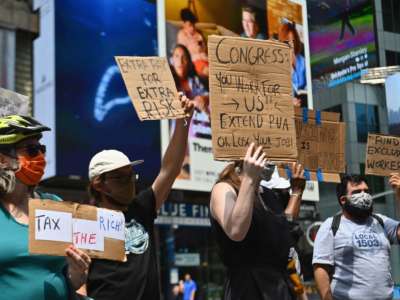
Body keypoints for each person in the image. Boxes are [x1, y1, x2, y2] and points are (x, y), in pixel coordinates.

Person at [85, 94, 194, 300]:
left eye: (131, 176)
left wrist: (183, 121)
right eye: (120, 178)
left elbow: (170, 170)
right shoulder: (83, 221)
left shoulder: (141, 208)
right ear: (99, 184)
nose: (130, 183)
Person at [0, 115, 91, 300]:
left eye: (42, 149)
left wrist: (77, 274)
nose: (40, 157)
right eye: (32, 150)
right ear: (2, 160)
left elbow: (71, 280)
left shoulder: (54, 205)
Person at [210, 143, 305, 299]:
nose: (271, 160)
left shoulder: (268, 195)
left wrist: (296, 192)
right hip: (248, 289)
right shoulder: (224, 189)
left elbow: (284, 232)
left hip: (280, 288)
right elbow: (236, 230)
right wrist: (249, 178)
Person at [313, 174, 400, 300]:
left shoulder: (381, 221)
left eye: (367, 191)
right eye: (357, 192)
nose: (364, 195)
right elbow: (321, 268)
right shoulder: (330, 225)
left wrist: (399, 195)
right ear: (343, 200)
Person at [278, 22, 306, 107]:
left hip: (304, 104)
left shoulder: (303, 61)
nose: (291, 45)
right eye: (287, 41)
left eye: (293, 41)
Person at [176, 8, 208, 77]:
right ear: (184, 24)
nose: (192, 28)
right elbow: (183, 52)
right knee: (206, 71)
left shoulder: (198, 34)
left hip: (205, 59)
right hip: (194, 61)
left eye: (193, 25)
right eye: (190, 25)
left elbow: (204, 49)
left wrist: (201, 46)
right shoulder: (182, 34)